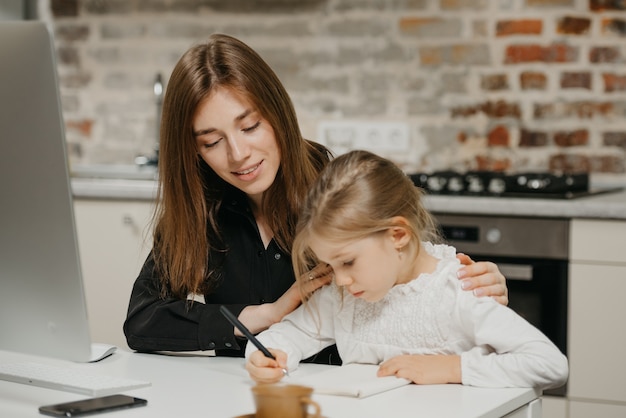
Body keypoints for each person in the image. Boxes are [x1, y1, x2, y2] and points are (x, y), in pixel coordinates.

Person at [123, 33, 509, 360]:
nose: (238, 154)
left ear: (277, 112)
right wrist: (264, 315)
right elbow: (142, 321)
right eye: (212, 141)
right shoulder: (201, 205)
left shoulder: (333, 188)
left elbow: (410, 277)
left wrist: (470, 291)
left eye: (251, 126)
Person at [245, 150, 569, 390]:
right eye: (331, 265)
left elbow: (549, 364)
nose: (339, 279)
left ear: (397, 235)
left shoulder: (456, 291)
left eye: (347, 262)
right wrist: (271, 353)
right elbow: (294, 332)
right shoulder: (345, 297)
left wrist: (452, 368)